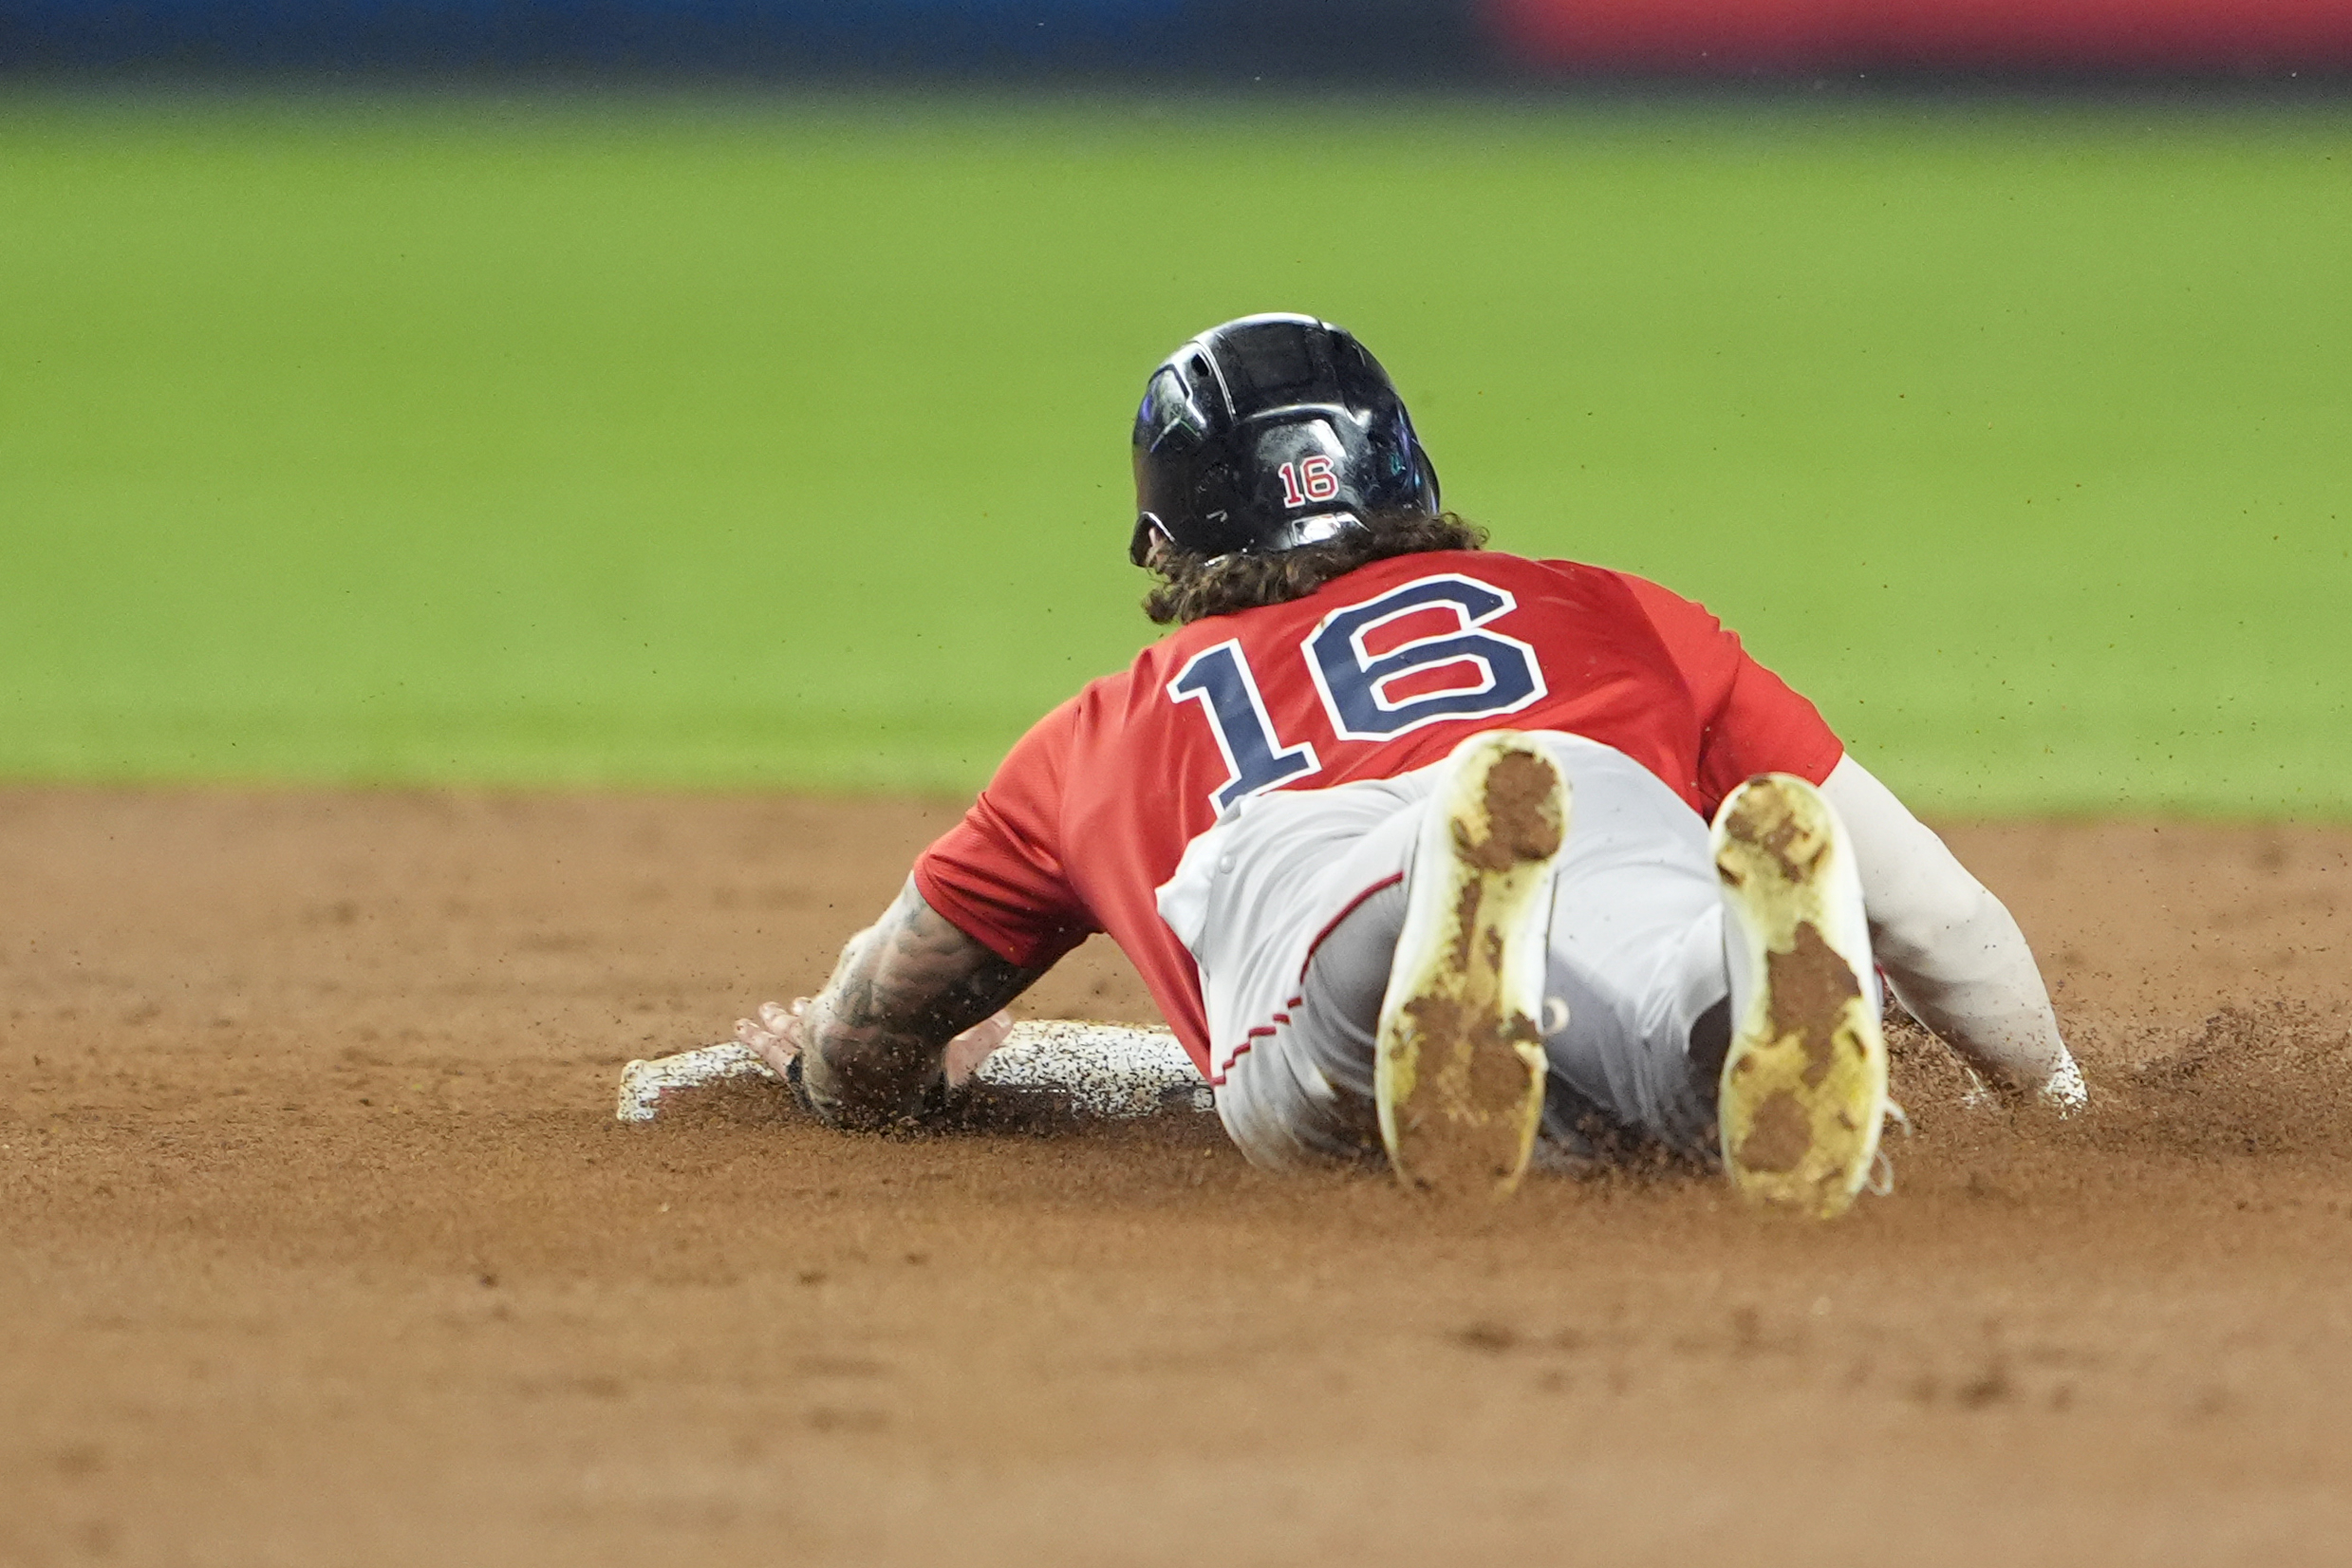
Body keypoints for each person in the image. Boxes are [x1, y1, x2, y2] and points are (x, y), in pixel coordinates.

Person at [736, 313, 2083, 1218]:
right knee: (1651, 989)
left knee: (1331, 1032)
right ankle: (1724, 989)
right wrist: (2056, 1110)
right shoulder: (1610, 611)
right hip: (1578, 792)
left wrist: (849, 1072)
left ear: (1164, 542)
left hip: (1305, 867)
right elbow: (1939, 921)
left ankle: (1424, 914)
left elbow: (873, 1038)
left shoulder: (1103, 732)